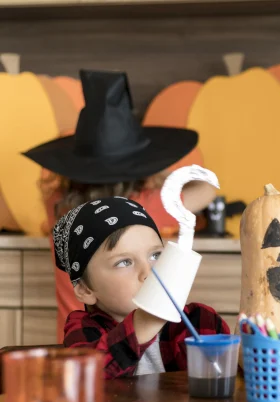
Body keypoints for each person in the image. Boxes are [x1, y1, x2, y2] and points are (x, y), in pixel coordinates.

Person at [23, 70, 217, 343]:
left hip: (75, 341)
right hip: (130, 343)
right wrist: (156, 174)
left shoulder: (56, 204)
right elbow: (207, 189)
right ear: (137, 165)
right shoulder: (145, 205)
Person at [52, 197, 229, 378]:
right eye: (124, 262)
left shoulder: (200, 320)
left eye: (155, 255)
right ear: (85, 290)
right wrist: (144, 323)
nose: (148, 272)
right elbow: (84, 378)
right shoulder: (82, 328)